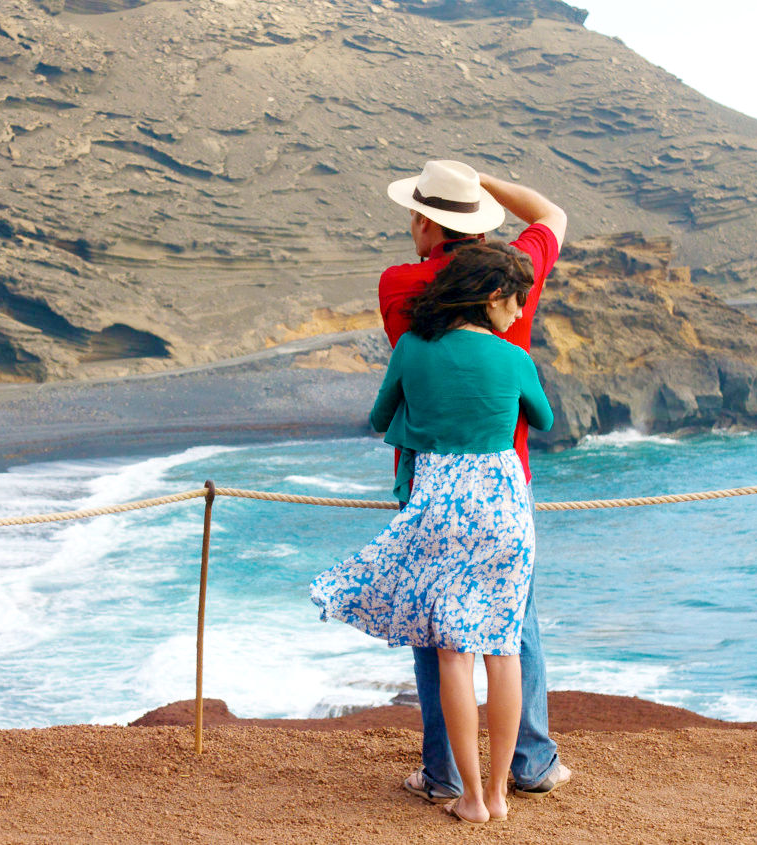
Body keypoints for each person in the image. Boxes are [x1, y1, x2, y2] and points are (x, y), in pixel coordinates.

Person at [311, 243, 554, 823]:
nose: (520, 314)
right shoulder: (511, 355)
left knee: (453, 655)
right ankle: (500, 794)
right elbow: (542, 418)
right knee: (504, 653)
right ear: (494, 297)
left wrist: (422, 424)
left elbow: (379, 419)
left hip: (440, 506)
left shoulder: (414, 349)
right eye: (517, 302)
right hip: (504, 508)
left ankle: (468, 797)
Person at [377, 160, 572, 804]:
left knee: (437, 627)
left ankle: (445, 774)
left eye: (415, 217)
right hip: (504, 478)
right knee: (514, 622)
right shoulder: (516, 273)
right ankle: (531, 763)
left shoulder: (400, 284)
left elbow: (388, 404)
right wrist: (481, 183)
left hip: (427, 477)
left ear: (427, 221)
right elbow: (552, 216)